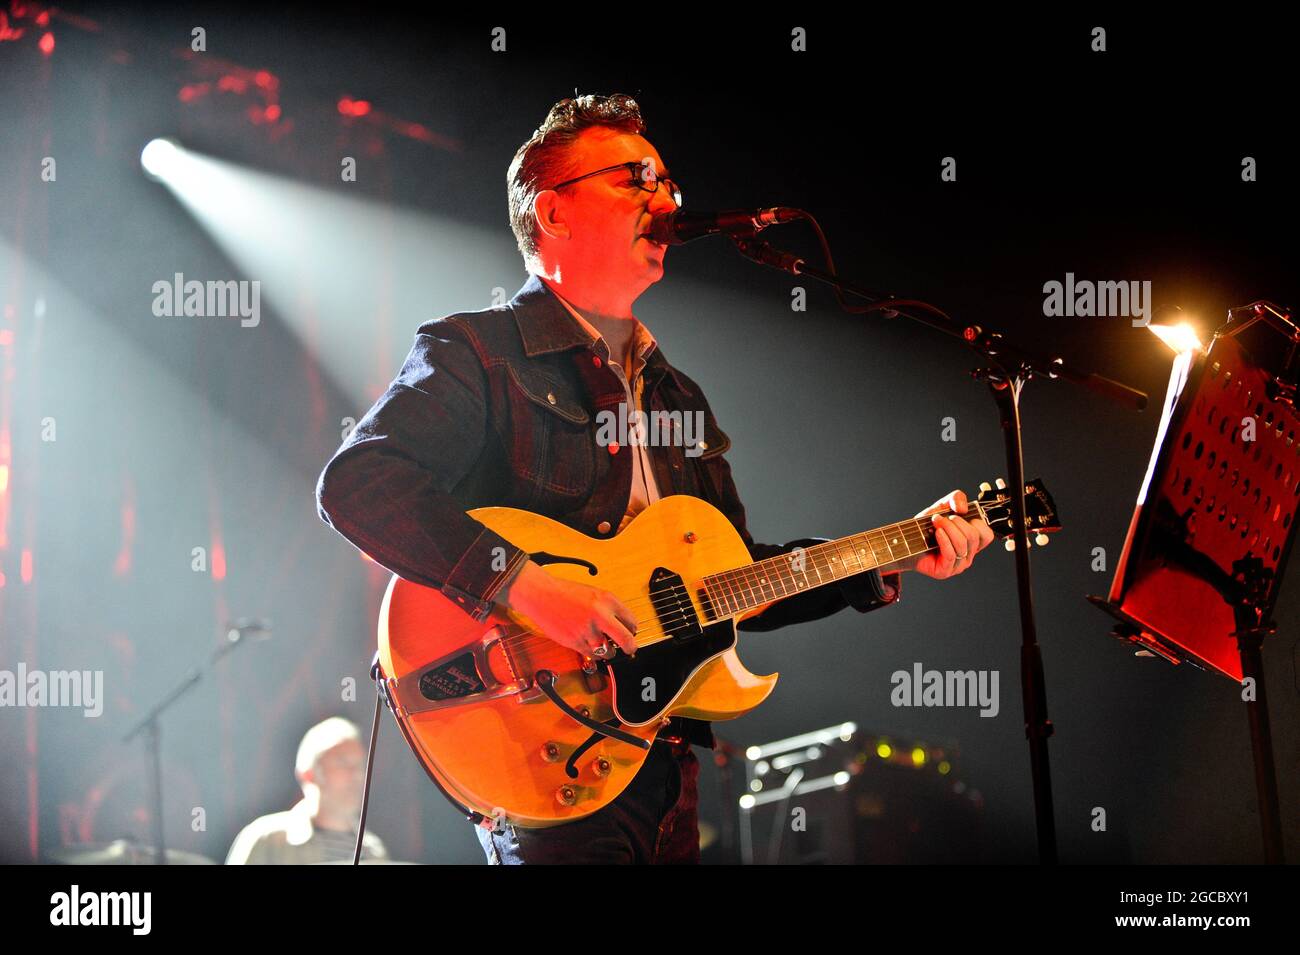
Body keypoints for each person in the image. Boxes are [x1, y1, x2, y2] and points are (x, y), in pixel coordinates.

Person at [315, 93, 993, 864]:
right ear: (554, 215)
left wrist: (891, 554)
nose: (665, 198)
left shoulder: (677, 395)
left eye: (667, 181)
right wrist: (527, 588)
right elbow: (360, 481)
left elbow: (738, 577)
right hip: (543, 736)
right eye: (634, 178)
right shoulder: (479, 349)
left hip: (664, 758)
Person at [225, 717, 388, 864]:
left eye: (360, 765)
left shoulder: (374, 851)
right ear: (308, 774)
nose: (358, 775)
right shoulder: (267, 839)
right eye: (343, 763)